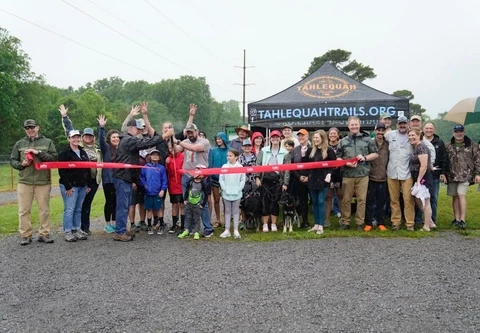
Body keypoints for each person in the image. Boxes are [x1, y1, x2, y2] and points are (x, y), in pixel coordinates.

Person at [113, 107, 174, 242]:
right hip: (123, 176)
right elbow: (146, 143)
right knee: (123, 205)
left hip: (127, 177)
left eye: (141, 130)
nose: (140, 131)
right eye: (138, 129)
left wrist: (130, 115)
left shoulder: (126, 137)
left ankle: (121, 228)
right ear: (131, 128)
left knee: (125, 204)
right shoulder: (129, 140)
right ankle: (119, 231)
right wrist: (163, 136)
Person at [10, 119, 57, 245]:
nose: (30, 130)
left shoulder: (47, 142)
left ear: (38, 127)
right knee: (24, 210)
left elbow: (53, 158)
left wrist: (39, 153)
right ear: (25, 130)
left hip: (43, 181)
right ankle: (25, 235)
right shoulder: (19, 144)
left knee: (44, 209)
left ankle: (44, 233)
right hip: (24, 181)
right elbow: (13, 160)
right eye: (27, 128)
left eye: (32, 127)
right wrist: (21, 164)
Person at [60, 104, 103, 235]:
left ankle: (81, 228)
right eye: (86, 136)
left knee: (82, 207)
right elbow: (70, 131)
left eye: (90, 136)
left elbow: (90, 168)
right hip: (75, 183)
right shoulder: (72, 150)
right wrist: (65, 117)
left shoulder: (92, 150)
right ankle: (70, 230)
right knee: (73, 207)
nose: (88, 138)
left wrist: (89, 184)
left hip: (89, 182)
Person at [336, 117, 378, 230]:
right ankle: (345, 222)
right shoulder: (343, 141)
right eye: (352, 125)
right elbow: (338, 158)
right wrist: (346, 163)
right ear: (348, 126)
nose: (354, 127)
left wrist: (365, 157)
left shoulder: (368, 139)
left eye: (356, 125)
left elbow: (375, 154)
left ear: (359, 125)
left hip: (363, 174)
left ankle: (360, 222)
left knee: (361, 200)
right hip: (347, 175)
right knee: (346, 200)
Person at [174, 123, 214, 237]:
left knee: (202, 203)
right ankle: (190, 228)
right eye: (188, 133)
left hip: (200, 176)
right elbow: (176, 150)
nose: (190, 134)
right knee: (188, 203)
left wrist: (178, 141)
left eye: (192, 132)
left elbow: (196, 148)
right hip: (187, 175)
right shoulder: (185, 142)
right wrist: (170, 139)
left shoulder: (204, 142)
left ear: (197, 131)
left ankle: (208, 228)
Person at [442, 124, 480, 229]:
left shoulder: (472, 145)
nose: (459, 133)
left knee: (461, 194)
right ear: (453, 133)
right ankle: (457, 219)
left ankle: (462, 219)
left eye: (461, 131)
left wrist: (477, 174)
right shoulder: (448, 145)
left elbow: (477, 159)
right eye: (457, 131)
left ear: (464, 132)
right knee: (454, 196)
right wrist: (444, 173)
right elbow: (444, 161)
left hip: (466, 175)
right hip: (452, 175)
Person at [58, 130, 92, 242]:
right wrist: (68, 186)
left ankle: (76, 229)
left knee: (78, 209)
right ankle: (67, 231)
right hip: (70, 186)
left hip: (82, 185)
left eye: (77, 137)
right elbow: (62, 171)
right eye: (73, 137)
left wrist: (88, 183)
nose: (76, 139)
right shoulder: (64, 153)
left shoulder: (82, 152)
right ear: (69, 139)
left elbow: (87, 168)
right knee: (70, 209)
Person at [301, 130, 336, 235]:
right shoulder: (310, 150)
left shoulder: (329, 150)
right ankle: (316, 224)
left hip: (323, 180)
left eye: (317, 138)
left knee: (321, 202)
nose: (315, 140)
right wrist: (303, 155)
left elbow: (334, 165)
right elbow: (305, 165)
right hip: (312, 179)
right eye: (314, 138)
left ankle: (321, 225)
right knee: (314, 202)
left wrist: (330, 174)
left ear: (322, 138)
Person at [384, 116, 415, 231]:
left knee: (408, 199)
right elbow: (378, 140)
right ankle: (395, 222)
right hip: (392, 173)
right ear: (396, 124)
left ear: (408, 124)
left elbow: (424, 146)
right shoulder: (390, 135)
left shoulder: (412, 136)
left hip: (407, 173)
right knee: (394, 200)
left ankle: (410, 223)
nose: (402, 126)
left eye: (404, 124)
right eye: (400, 124)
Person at [255, 130, 289, 232]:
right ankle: (265, 224)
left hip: (278, 180)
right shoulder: (264, 150)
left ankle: (273, 224)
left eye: (277, 137)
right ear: (270, 139)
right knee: (264, 202)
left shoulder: (285, 152)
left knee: (275, 202)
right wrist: (257, 178)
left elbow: (287, 169)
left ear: (280, 139)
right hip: (265, 179)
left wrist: (285, 183)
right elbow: (258, 164)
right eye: (273, 137)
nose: (275, 139)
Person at [408, 128, 435, 231]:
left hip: (423, 177)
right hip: (417, 177)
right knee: (417, 199)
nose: (411, 137)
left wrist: (419, 180)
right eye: (409, 136)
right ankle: (430, 222)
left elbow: (423, 166)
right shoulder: (415, 147)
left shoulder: (421, 147)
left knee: (426, 201)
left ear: (419, 136)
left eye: (413, 135)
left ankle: (426, 226)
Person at [364, 122, 389, 231]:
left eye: (382, 130)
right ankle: (368, 223)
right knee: (369, 201)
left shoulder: (388, 144)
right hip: (371, 177)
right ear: (375, 131)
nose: (380, 132)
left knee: (381, 202)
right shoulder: (369, 143)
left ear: (385, 131)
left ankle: (380, 222)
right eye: (378, 130)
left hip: (383, 177)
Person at [97, 115, 119, 233]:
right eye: (113, 137)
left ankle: (115, 223)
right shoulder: (106, 148)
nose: (116, 139)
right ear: (109, 138)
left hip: (118, 180)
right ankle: (107, 224)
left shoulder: (120, 149)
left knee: (116, 202)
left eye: (117, 137)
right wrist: (101, 127)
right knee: (109, 201)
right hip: (108, 180)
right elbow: (100, 140)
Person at [423, 122, 447, 225]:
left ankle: (432, 220)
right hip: (422, 174)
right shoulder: (420, 140)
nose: (429, 130)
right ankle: (419, 220)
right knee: (421, 197)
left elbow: (444, 158)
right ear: (423, 129)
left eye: (431, 128)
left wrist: (443, 172)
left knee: (433, 198)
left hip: (435, 175)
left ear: (434, 130)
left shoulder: (439, 142)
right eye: (427, 128)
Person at [219, 149, 246, 239]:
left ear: (236, 157)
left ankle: (235, 230)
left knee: (235, 211)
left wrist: (239, 189)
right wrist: (224, 188)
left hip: (237, 193)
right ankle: (227, 230)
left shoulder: (240, 167)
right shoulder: (224, 166)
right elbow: (221, 178)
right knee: (227, 211)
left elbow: (243, 179)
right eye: (228, 156)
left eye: (230, 156)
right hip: (226, 192)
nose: (228, 157)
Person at [140, 149, 168, 235]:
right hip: (148, 192)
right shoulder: (146, 167)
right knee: (149, 209)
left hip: (158, 192)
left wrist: (162, 190)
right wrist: (144, 185)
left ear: (159, 157)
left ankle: (161, 225)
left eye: (157, 155)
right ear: (150, 156)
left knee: (159, 208)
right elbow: (142, 177)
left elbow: (164, 180)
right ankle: (149, 226)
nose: (155, 156)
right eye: (153, 155)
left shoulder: (161, 168)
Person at [178, 165, 209, 240]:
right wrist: (185, 199)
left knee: (196, 218)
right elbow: (187, 192)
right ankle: (187, 230)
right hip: (189, 203)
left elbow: (206, 195)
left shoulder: (202, 184)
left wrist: (203, 204)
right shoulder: (190, 182)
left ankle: (196, 232)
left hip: (197, 204)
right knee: (188, 217)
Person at [290, 129, 311, 228]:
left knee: (314, 201)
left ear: (307, 137)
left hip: (311, 179)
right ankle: (303, 221)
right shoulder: (295, 150)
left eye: (303, 136)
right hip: (298, 179)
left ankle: (317, 222)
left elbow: (315, 164)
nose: (301, 138)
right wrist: (299, 177)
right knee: (301, 201)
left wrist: (308, 177)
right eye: (299, 136)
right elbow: (291, 166)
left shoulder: (312, 148)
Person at [208, 132, 229, 228]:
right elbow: (210, 165)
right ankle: (217, 219)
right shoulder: (213, 151)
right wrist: (210, 175)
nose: (218, 141)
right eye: (217, 139)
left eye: (220, 138)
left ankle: (226, 219)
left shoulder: (230, 150)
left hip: (227, 178)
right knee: (216, 199)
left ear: (224, 139)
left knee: (226, 200)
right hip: (215, 178)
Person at [165, 142, 185, 233]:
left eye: (173, 147)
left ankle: (183, 225)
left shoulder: (182, 156)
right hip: (173, 184)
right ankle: (174, 224)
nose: (171, 149)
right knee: (174, 204)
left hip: (182, 183)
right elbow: (169, 172)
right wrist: (168, 164)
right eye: (169, 148)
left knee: (182, 204)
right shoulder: (168, 158)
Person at [325, 127, 342, 227]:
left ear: (338, 134)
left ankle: (343, 220)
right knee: (328, 197)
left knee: (341, 196)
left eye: (334, 133)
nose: (332, 135)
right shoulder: (325, 146)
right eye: (331, 134)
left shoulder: (342, 144)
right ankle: (326, 220)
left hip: (340, 174)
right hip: (329, 174)